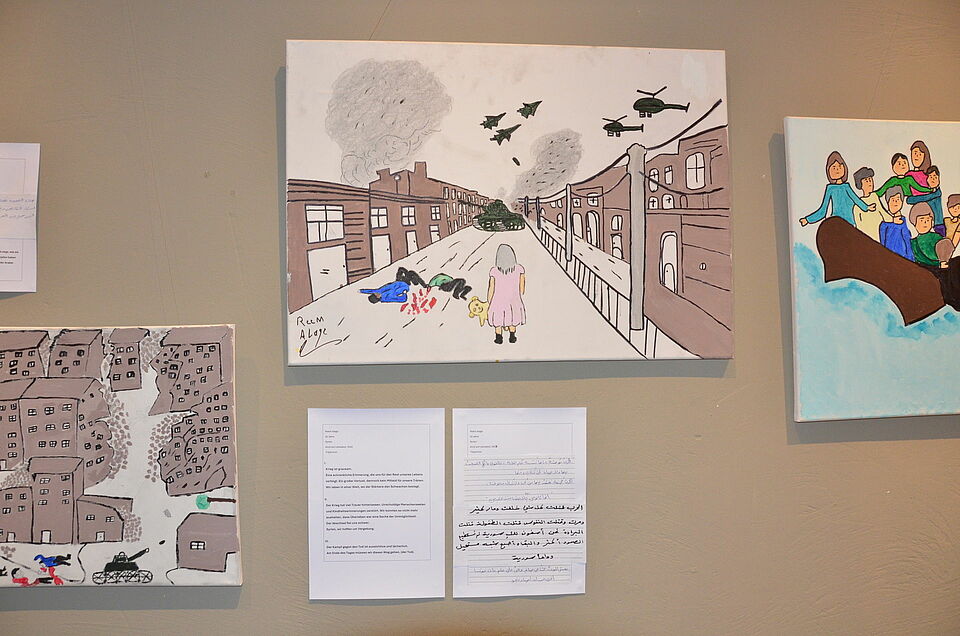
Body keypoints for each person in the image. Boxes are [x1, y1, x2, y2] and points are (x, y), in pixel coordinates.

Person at [799, 151, 873, 227]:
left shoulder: (846, 187)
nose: (837, 170)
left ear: (844, 168)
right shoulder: (830, 189)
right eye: (834, 167)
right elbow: (823, 211)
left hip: (850, 222)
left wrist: (866, 207)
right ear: (828, 170)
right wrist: (807, 220)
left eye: (840, 166)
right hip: (836, 222)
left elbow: (856, 199)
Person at [486, 243, 526, 344]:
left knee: (498, 319)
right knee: (513, 318)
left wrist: (489, 299)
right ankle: (512, 337)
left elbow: (491, 287)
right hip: (513, 298)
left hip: (497, 299)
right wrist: (519, 293)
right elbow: (522, 286)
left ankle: (498, 338)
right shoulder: (519, 269)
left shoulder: (494, 271)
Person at [909, 202, 951, 267]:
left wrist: (943, 261)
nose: (925, 222)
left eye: (928, 220)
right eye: (921, 220)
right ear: (914, 223)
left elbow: (945, 247)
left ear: (932, 222)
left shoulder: (936, 237)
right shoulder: (913, 242)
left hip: (937, 268)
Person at [852, 166, 888, 241]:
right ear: (860, 184)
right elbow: (859, 227)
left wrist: (894, 219)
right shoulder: (857, 206)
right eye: (866, 181)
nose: (870, 183)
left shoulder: (874, 197)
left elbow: (883, 213)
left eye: (870, 180)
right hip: (866, 239)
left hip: (880, 235)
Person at [906, 165, 944, 234]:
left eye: (935, 177)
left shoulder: (937, 193)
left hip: (938, 224)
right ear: (927, 179)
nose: (933, 179)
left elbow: (923, 198)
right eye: (930, 177)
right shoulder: (926, 192)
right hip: (924, 223)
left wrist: (912, 199)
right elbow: (910, 200)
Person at [878, 190, 913, 261]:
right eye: (893, 200)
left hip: (903, 258)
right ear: (888, 202)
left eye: (898, 199)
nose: (895, 202)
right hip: (889, 258)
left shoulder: (903, 221)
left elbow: (908, 242)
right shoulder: (884, 225)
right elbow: (882, 243)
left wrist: (910, 258)